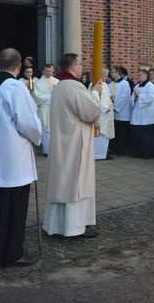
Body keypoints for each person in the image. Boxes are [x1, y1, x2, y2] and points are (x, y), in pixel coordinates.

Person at [0, 48, 42, 268]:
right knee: (13, 207)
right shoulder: (15, 87)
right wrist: (38, 137)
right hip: (13, 160)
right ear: (19, 65)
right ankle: (12, 253)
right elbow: (27, 122)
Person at [44, 53, 102, 238]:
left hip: (63, 141)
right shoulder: (75, 87)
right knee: (74, 183)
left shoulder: (59, 86)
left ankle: (56, 225)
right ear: (73, 67)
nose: (82, 67)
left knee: (62, 182)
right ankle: (74, 227)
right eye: (80, 64)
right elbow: (91, 112)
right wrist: (95, 93)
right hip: (74, 144)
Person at [129, 68, 154, 158]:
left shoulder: (150, 85)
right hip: (138, 114)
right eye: (138, 75)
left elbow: (150, 99)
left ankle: (148, 154)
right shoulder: (136, 86)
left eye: (140, 75)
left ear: (145, 75)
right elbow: (132, 99)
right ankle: (138, 152)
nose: (138, 76)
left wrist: (139, 95)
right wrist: (135, 97)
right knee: (138, 134)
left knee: (147, 136)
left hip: (148, 114)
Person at [32, 64, 59, 155]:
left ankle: (55, 150)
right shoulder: (39, 83)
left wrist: (53, 98)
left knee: (55, 128)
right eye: (47, 71)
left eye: (50, 71)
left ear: (53, 71)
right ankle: (46, 150)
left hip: (54, 109)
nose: (48, 73)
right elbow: (37, 96)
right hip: (44, 109)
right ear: (43, 71)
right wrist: (51, 98)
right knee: (45, 129)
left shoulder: (57, 81)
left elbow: (60, 95)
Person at [108, 66, 132, 155]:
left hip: (122, 112)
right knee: (115, 132)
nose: (111, 73)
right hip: (113, 113)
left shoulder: (125, 84)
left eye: (113, 72)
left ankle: (122, 150)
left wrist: (114, 104)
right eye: (111, 72)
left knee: (122, 132)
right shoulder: (110, 84)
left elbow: (124, 97)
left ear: (118, 73)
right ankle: (115, 148)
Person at [93, 69, 115, 161]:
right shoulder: (94, 85)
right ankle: (96, 155)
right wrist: (104, 108)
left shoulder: (105, 85)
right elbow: (93, 99)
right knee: (99, 134)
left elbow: (105, 98)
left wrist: (111, 99)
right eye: (105, 75)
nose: (107, 77)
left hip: (107, 115)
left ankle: (103, 154)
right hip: (100, 114)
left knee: (105, 135)